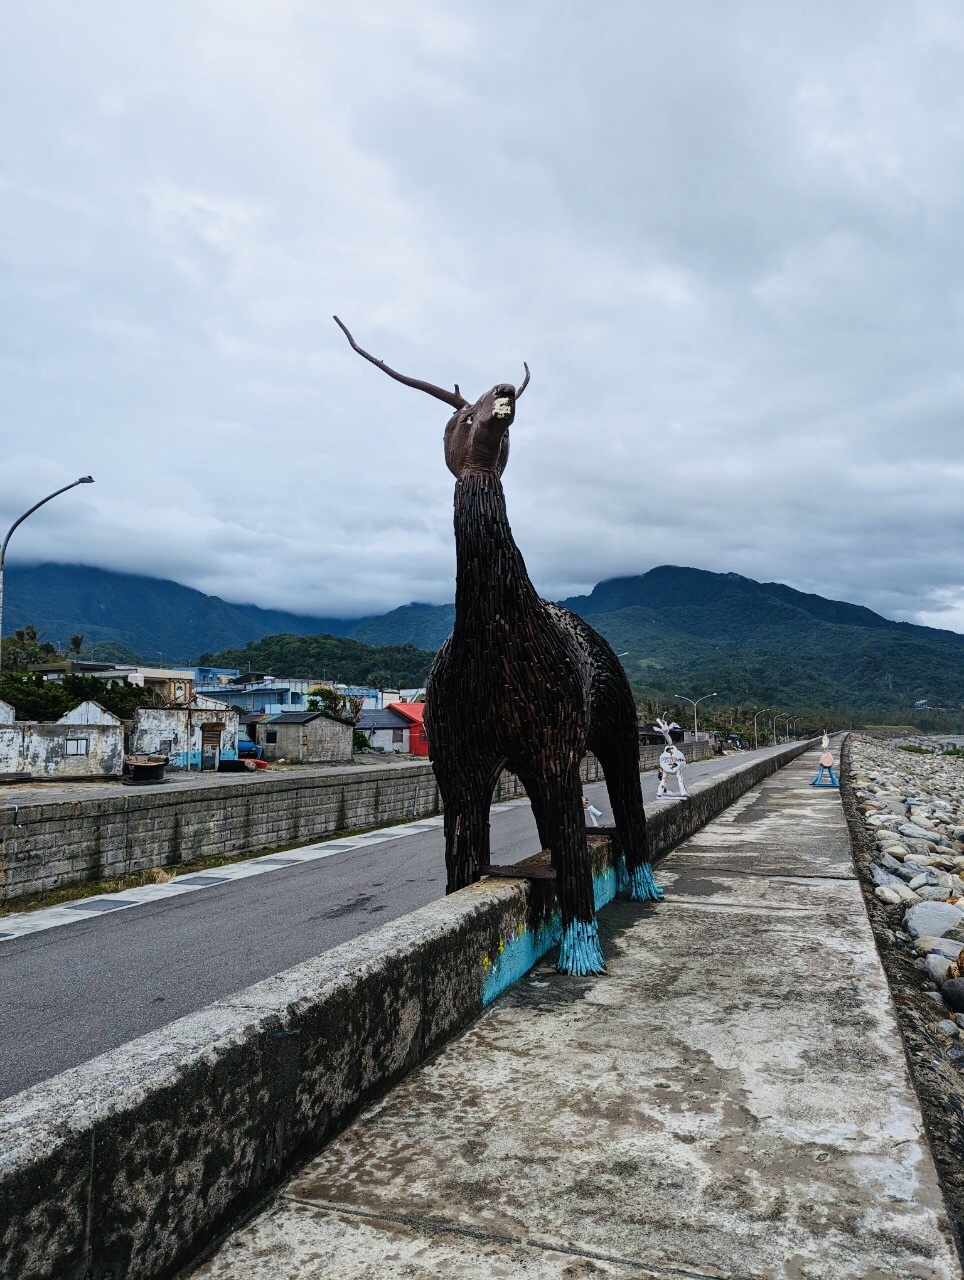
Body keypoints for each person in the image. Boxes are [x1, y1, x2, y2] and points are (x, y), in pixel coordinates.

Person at [654, 717, 688, 800]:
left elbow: (668, 739)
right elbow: (668, 739)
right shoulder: (670, 743)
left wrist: (662, 724)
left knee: (665, 778)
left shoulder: (669, 743)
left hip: (670, 763)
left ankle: (660, 792)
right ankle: (682, 792)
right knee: (674, 777)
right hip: (670, 763)